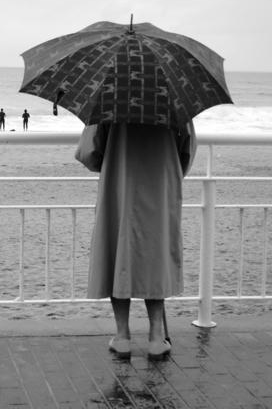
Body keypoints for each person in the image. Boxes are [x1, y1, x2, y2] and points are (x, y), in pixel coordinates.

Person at [76, 121, 196, 360]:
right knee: (156, 252)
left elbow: (89, 152)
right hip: (160, 183)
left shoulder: (110, 104)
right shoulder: (172, 105)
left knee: (118, 251)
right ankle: (156, 337)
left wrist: (112, 159)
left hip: (119, 182)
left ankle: (122, 336)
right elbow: (186, 150)